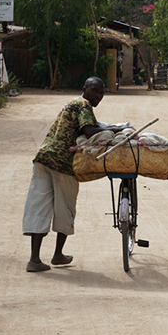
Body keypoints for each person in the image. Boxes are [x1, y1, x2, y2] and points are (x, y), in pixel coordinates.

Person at [22, 77, 123, 272]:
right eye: (95, 91)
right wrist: (117, 129)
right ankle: (58, 255)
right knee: (65, 209)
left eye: (102, 93)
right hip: (63, 163)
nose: (98, 96)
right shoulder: (83, 104)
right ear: (84, 89)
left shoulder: (72, 104)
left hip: (43, 158)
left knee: (39, 207)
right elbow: (91, 131)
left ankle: (34, 259)